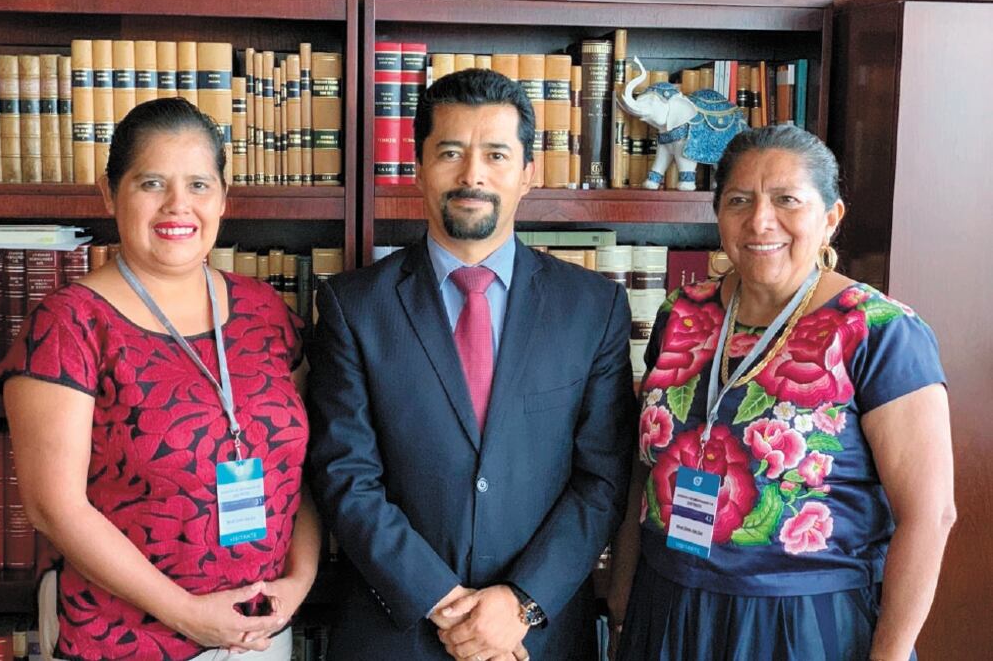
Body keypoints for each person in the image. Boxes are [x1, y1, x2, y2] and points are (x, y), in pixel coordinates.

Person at [306, 68, 635, 661]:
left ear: (528, 173)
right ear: (417, 166)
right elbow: (345, 475)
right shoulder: (353, 305)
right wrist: (443, 600)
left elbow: (604, 478)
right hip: (396, 632)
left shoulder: (594, 306)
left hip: (538, 635)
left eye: (496, 154)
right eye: (450, 152)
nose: (472, 175)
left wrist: (520, 603)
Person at [607, 125, 956, 661]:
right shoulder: (680, 313)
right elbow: (641, 465)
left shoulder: (880, 331)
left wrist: (890, 654)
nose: (760, 221)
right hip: (670, 604)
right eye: (739, 201)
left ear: (831, 218)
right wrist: (624, 594)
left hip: (805, 622)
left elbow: (929, 517)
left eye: (787, 200)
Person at [0, 98, 321, 661]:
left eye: (198, 184)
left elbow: (300, 472)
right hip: (124, 638)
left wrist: (300, 582)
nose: (178, 205)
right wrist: (189, 615)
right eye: (151, 183)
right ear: (108, 193)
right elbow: (55, 508)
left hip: (261, 631)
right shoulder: (71, 322)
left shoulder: (265, 311)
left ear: (223, 197)